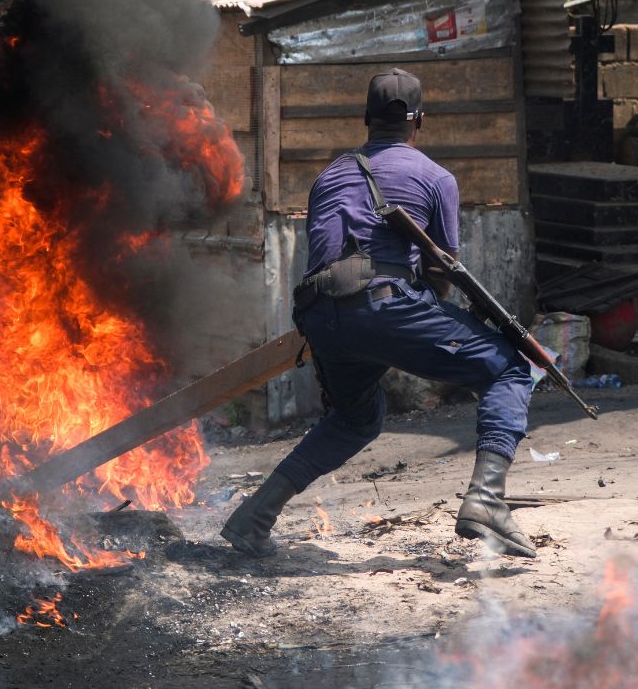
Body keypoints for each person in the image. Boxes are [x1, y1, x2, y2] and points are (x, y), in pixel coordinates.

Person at [221, 69, 537, 559]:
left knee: (354, 419)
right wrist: (427, 321)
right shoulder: (435, 178)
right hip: (382, 304)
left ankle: (253, 516)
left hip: (319, 312)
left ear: (365, 120)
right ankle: (486, 500)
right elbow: (441, 268)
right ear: (420, 122)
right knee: (511, 369)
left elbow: (322, 253)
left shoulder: (329, 175)